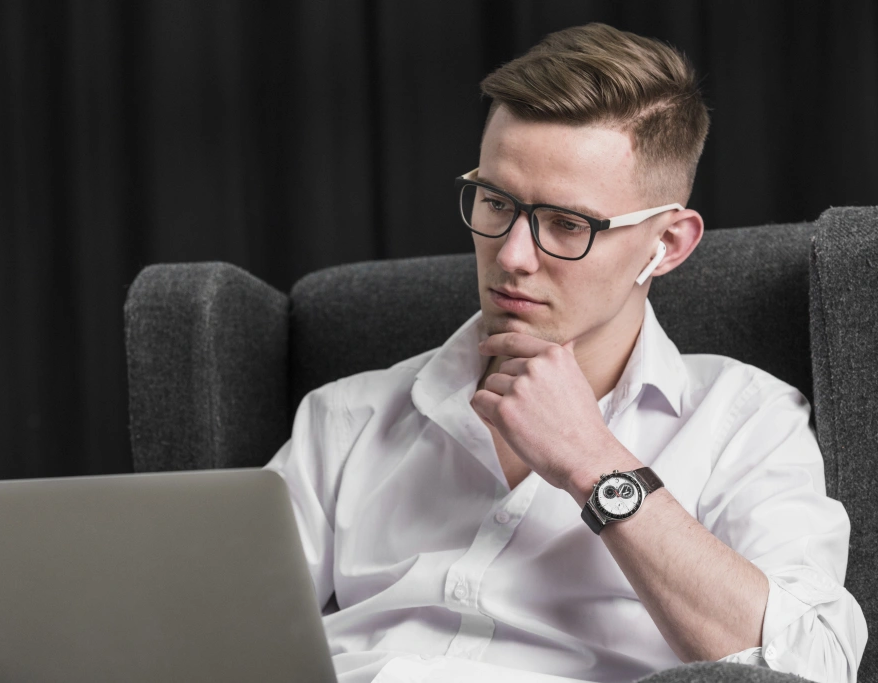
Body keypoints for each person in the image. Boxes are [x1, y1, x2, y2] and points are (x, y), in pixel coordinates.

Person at [264, 22, 867, 683]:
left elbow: (812, 666)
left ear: (666, 244)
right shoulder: (346, 417)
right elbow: (203, 632)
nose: (512, 257)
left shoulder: (745, 420)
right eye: (495, 202)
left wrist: (595, 463)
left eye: (567, 224)